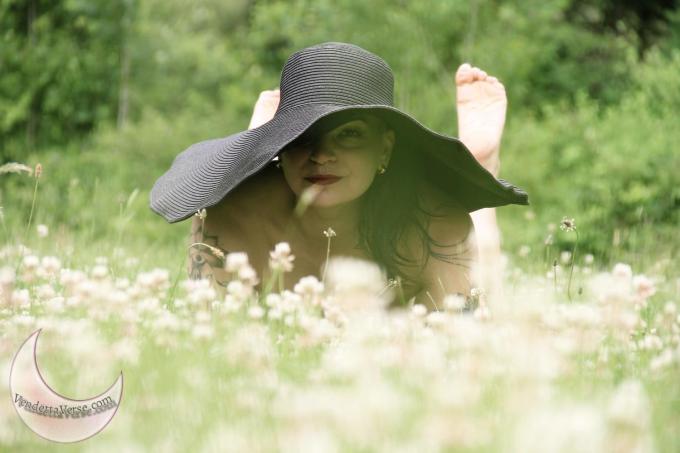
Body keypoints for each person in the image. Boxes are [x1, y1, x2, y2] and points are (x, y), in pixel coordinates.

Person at [149, 42, 528, 311]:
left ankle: (481, 163)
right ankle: (253, 155)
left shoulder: (435, 222)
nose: (321, 155)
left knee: (477, 265)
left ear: (385, 148)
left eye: (349, 134)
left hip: (388, 350)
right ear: (281, 147)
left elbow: (468, 342)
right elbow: (212, 344)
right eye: (301, 135)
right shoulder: (227, 215)